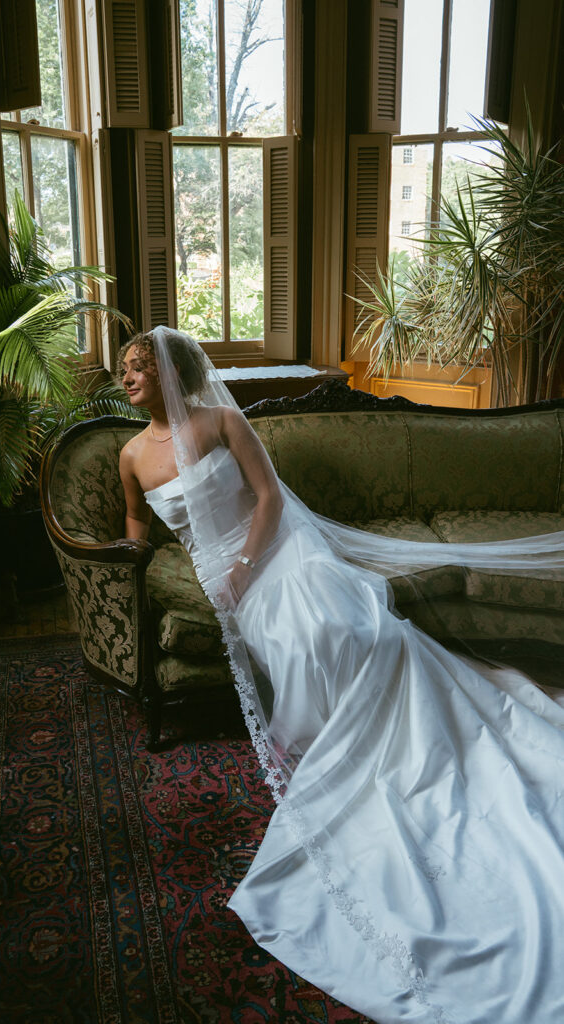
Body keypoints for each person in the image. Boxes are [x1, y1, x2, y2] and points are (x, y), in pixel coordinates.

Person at [118, 326, 564, 1024]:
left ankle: (389, 734)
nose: (127, 378)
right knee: (301, 644)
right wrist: (127, 561)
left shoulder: (221, 422)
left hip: (279, 552)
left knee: (342, 628)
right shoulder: (129, 454)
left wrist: (242, 570)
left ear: (171, 373)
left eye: (140, 368)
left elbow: (267, 499)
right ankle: (351, 739)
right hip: (220, 576)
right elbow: (133, 525)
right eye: (124, 369)